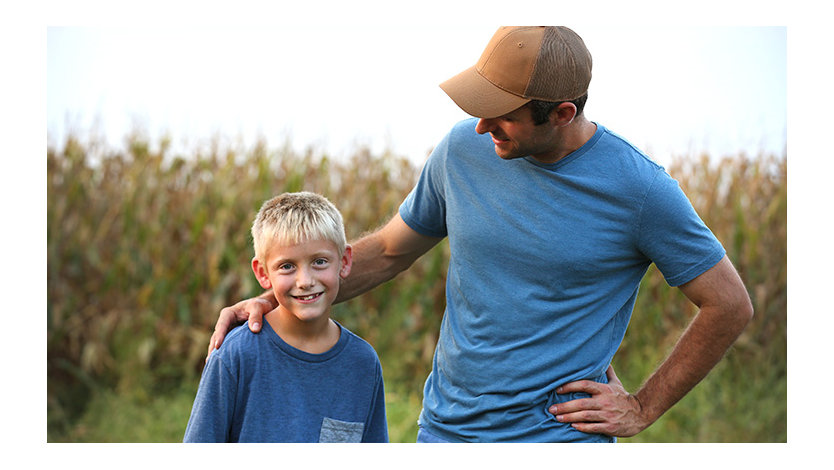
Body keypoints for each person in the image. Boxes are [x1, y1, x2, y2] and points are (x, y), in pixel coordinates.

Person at [207, 26, 753, 442]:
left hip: (554, 438)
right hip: (444, 430)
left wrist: (642, 405)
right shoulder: (463, 149)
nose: (481, 126)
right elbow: (392, 250)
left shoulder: (640, 191)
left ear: (562, 112)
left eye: (501, 115)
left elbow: (728, 304)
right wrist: (279, 298)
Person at [184, 192, 388, 442]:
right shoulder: (234, 356)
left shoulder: (363, 363)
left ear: (344, 262)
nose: (305, 281)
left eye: (320, 262)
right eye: (287, 266)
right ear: (262, 272)